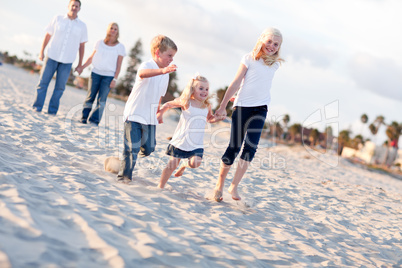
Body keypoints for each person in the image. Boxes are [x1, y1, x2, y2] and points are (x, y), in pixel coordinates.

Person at [213, 27, 284, 202]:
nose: (272, 46)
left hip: (261, 109)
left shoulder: (274, 64)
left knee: (250, 147)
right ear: (261, 40)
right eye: (269, 41)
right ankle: (219, 186)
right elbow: (237, 82)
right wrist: (223, 106)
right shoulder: (249, 58)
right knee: (234, 146)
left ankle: (234, 186)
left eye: (276, 44)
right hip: (242, 107)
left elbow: (259, 85)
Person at [117, 35, 178, 183]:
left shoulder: (165, 75)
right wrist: (162, 71)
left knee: (149, 148)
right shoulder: (147, 65)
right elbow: (143, 74)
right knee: (132, 148)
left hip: (149, 117)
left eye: (173, 56)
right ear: (158, 53)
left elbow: (159, 95)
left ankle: (126, 161)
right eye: (169, 55)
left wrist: (159, 112)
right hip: (134, 114)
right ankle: (124, 177)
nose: (171, 59)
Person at [156, 75, 222, 189]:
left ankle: (184, 165)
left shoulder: (207, 105)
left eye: (206, 89)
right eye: (201, 88)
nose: (204, 91)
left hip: (196, 143)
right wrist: (160, 113)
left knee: (195, 163)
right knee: (172, 165)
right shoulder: (186, 102)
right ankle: (160, 186)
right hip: (182, 140)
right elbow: (168, 104)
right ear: (193, 89)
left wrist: (217, 119)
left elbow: (209, 119)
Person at [32, 0, 88, 115]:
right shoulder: (57, 18)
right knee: (43, 83)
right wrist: (41, 52)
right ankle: (37, 107)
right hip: (52, 56)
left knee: (60, 88)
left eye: (77, 6)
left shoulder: (82, 26)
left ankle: (52, 111)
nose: (74, 8)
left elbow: (81, 46)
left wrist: (80, 64)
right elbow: (48, 35)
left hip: (67, 61)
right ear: (68, 6)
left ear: (79, 9)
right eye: (72, 5)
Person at [75, 22, 126, 125]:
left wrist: (115, 79)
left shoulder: (120, 47)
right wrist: (82, 67)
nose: (113, 30)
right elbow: (91, 58)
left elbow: (119, 65)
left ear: (118, 32)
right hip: (95, 73)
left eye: (115, 29)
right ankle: (84, 117)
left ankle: (94, 120)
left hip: (109, 76)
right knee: (90, 96)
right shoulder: (99, 43)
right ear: (108, 30)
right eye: (111, 28)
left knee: (101, 99)